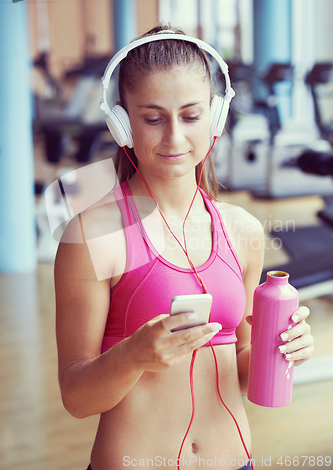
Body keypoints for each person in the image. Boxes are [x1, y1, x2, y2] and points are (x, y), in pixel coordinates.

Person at [54, 25, 314, 470]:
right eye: (153, 119)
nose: (174, 138)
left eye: (191, 116)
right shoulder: (91, 236)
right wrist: (133, 356)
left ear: (215, 117)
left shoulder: (242, 230)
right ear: (122, 122)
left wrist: (282, 348)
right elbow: (77, 398)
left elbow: (241, 361)